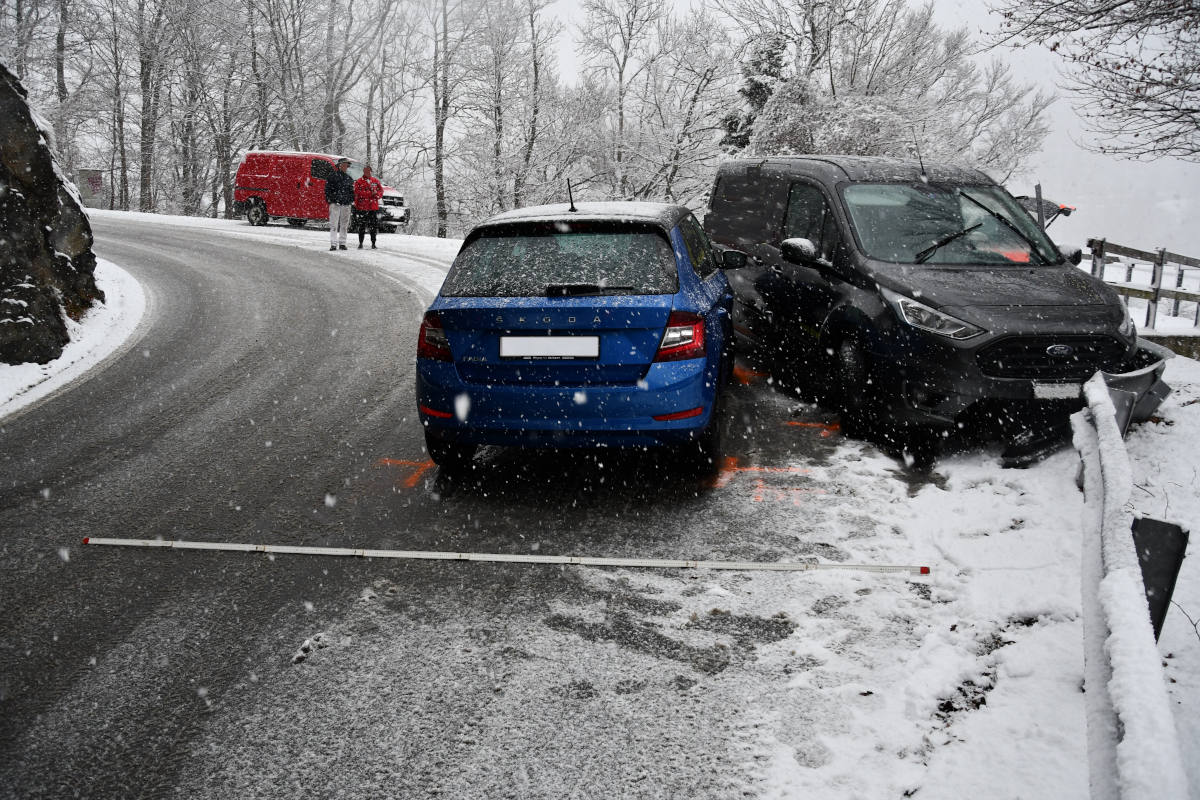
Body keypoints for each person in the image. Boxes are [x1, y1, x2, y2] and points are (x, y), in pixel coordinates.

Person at [325, 158, 355, 251]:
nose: (346, 167)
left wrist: (350, 200)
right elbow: (327, 190)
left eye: (347, 165)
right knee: (334, 224)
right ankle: (333, 244)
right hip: (335, 203)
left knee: (344, 225)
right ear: (340, 166)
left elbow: (352, 192)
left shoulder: (349, 178)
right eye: (345, 165)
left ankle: (342, 243)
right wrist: (331, 200)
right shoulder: (332, 176)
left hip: (346, 204)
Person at [353, 165, 384, 249]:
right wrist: (370, 194)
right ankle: (360, 243)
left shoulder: (375, 181)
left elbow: (381, 191)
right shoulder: (359, 181)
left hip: (373, 207)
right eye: (366, 171)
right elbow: (357, 192)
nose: (367, 173)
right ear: (363, 172)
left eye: (369, 171)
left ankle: (373, 243)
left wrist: (377, 195)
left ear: (371, 171)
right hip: (363, 207)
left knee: (373, 226)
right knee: (362, 226)